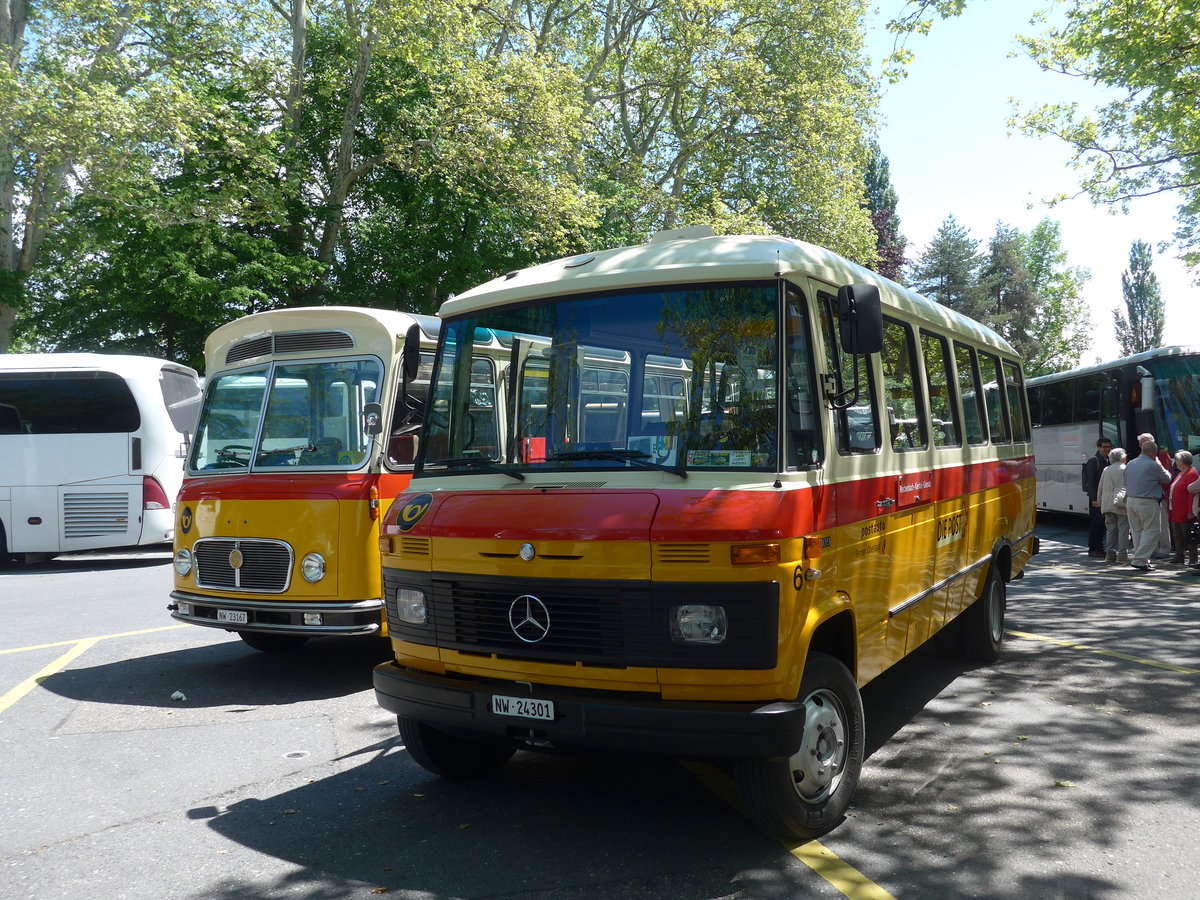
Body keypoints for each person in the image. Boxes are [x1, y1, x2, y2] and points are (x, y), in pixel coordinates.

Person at [1125, 440, 1173, 570]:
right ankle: (1140, 560)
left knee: (1136, 531)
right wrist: (1160, 464)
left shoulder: (1130, 463)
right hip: (1147, 501)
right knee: (1152, 531)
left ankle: (1142, 558)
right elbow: (1167, 478)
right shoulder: (1153, 465)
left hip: (1130, 500)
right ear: (1154, 453)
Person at [1138, 432, 1173, 558]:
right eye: (1142, 444)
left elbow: (1167, 475)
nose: (1144, 446)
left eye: (1146, 443)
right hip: (1148, 495)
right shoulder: (1140, 458)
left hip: (1161, 494)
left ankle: (1164, 548)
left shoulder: (1162, 455)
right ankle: (1153, 549)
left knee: (1163, 523)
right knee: (1149, 526)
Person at [1097, 446, 1130, 563]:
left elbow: (1100, 487)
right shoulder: (1126, 469)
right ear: (1122, 458)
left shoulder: (1106, 469)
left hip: (1107, 503)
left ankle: (1110, 553)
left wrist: (1099, 500)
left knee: (1110, 529)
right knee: (1123, 529)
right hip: (1121, 503)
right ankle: (1122, 554)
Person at [1083, 437, 1112, 559]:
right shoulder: (1094, 461)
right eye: (1104, 447)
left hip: (1104, 497)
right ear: (1098, 447)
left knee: (1101, 524)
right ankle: (1093, 549)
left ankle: (1099, 548)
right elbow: (1091, 482)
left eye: (1109, 447)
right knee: (1096, 524)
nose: (1107, 449)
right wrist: (1094, 499)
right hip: (1096, 499)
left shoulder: (1108, 460)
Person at [1169, 450, 1199, 565]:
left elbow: (1192, 493)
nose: (1175, 462)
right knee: (1177, 534)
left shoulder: (1192, 473)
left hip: (1185, 510)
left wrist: (1190, 511)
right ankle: (1179, 555)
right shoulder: (1181, 473)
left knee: (1189, 534)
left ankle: (1193, 558)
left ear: (1182, 461)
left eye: (1177, 460)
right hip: (1176, 510)